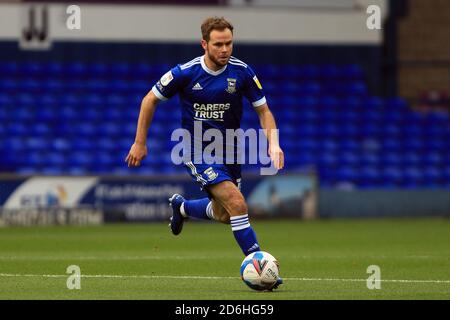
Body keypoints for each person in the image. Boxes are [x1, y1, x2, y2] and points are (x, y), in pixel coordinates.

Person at [125, 16, 284, 288]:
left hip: (231, 149)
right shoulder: (184, 73)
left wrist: (273, 143)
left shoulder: (243, 72)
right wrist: (140, 142)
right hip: (197, 148)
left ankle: (182, 207)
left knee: (225, 214)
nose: (225, 49)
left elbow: (264, 111)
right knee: (237, 204)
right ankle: (261, 268)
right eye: (219, 44)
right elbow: (149, 100)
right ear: (204, 44)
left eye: (229, 43)